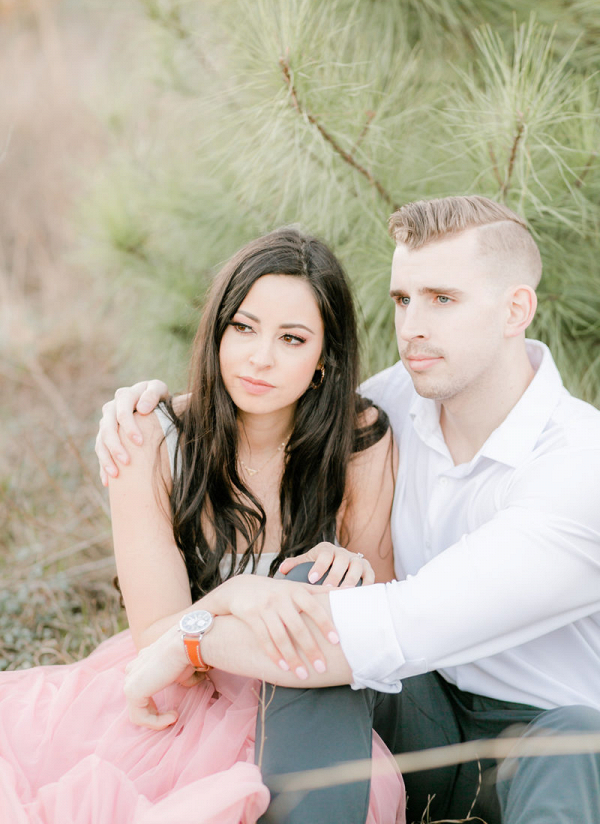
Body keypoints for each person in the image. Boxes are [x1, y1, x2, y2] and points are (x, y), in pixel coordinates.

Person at [99, 195, 600, 824]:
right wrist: (144, 412)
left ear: (515, 309)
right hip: (423, 716)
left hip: (542, 731)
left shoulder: (582, 464)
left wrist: (190, 641)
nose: (413, 324)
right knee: (315, 591)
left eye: (442, 299)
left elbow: (395, 625)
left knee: (581, 738)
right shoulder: (390, 406)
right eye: (402, 299)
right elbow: (274, 396)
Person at [0, 228, 406, 824]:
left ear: (324, 360)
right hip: (181, 692)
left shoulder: (360, 439)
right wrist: (244, 592)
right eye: (242, 327)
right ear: (216, 329)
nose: (259, 357)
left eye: (292, 339)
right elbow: (157, 637)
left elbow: (382, 618)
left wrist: (355, 574)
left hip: (307, 700)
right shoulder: (149, 440)